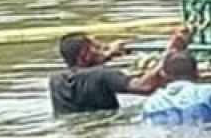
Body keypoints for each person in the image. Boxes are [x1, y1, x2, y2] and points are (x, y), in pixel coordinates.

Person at [48, 29, 186, 116]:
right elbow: (145, 86)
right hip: (104, 127)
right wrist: (171, 51)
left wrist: (108, 55)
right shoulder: (103, 75)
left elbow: (85, 71)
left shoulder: (55, 80)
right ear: (85, 54)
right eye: (97, 47)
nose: (102, 49)